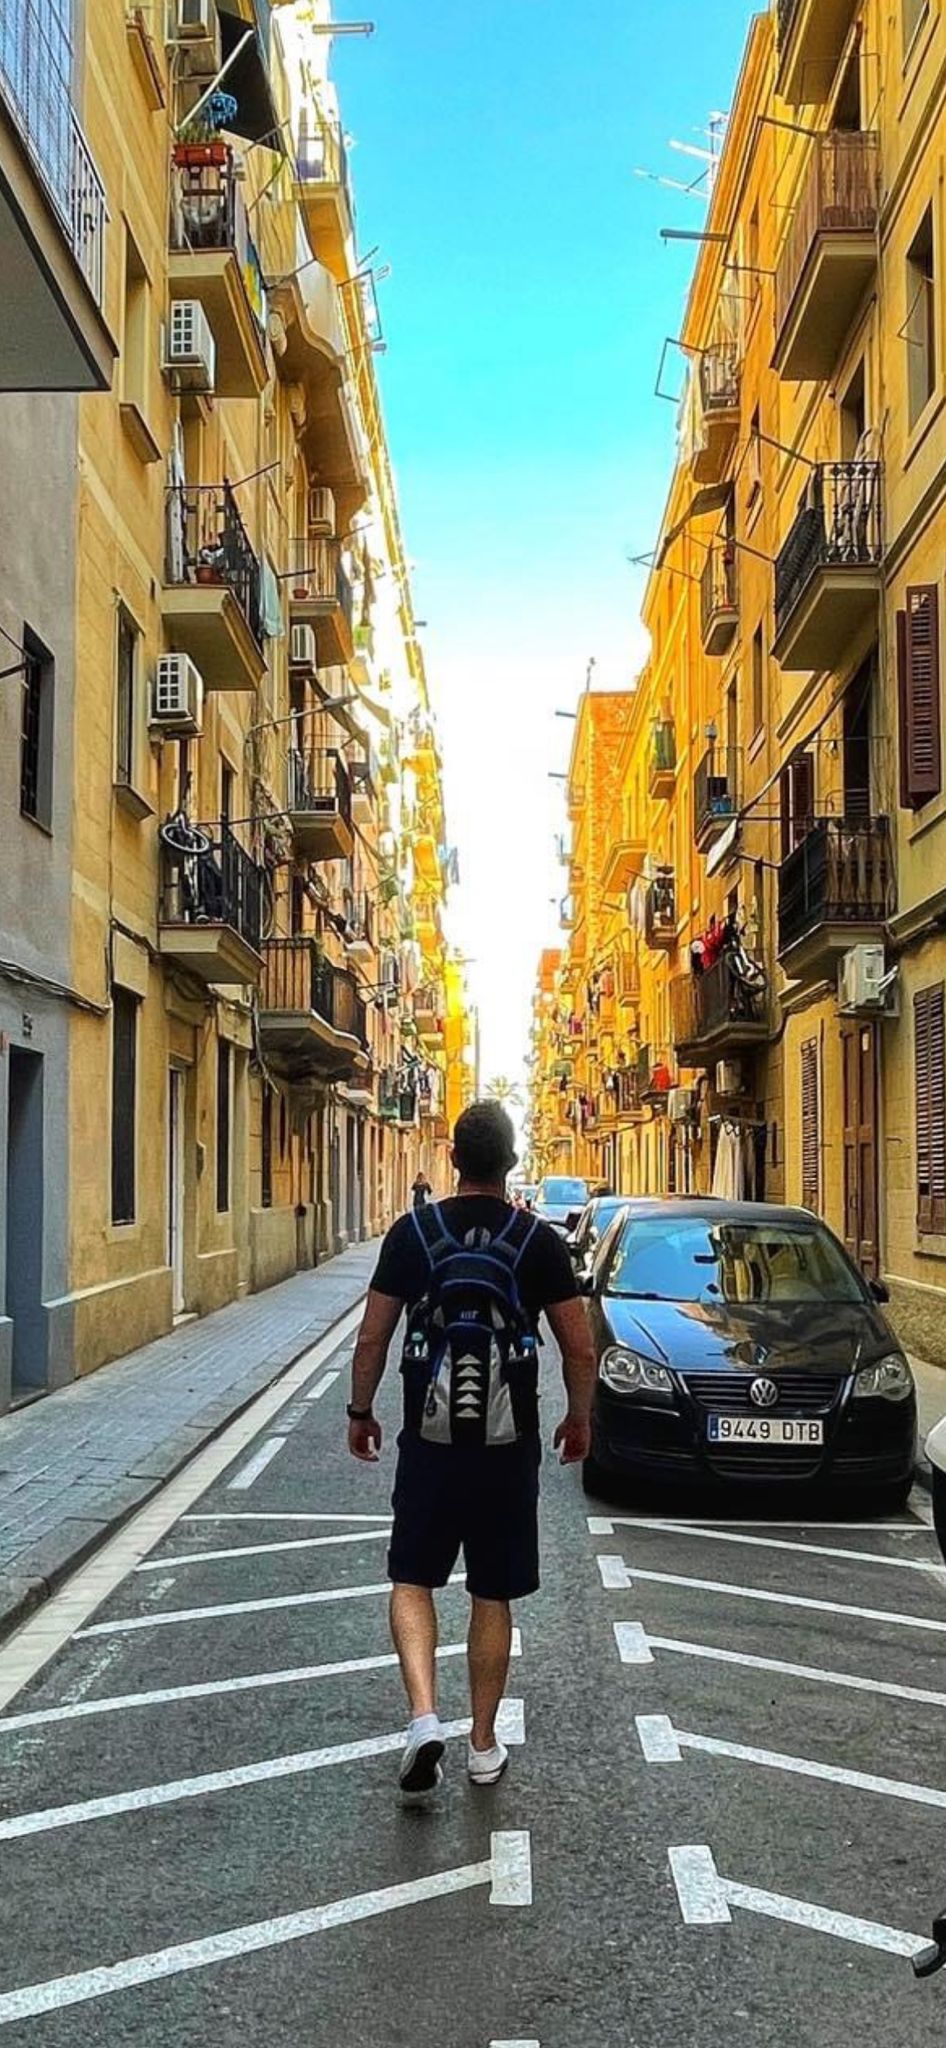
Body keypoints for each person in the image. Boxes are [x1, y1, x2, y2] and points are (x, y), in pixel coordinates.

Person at [348, 1100, 596, 1803]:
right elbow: (579, 1348)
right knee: (492, 1592)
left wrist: (361, 1412)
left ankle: (424, 1716)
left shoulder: (413, 1233)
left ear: (453, 1160)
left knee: (412, 1579)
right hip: (506, 1447)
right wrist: (579, 1420)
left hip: (428, 1445)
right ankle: (483, 1745)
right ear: (511, 1164)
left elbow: (372, 1337)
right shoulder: (537, 1241)